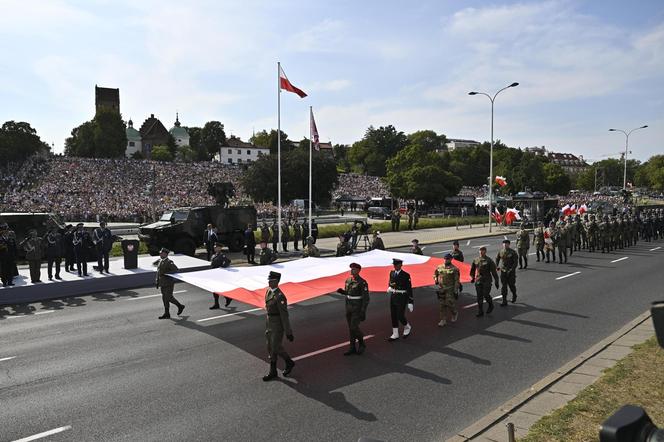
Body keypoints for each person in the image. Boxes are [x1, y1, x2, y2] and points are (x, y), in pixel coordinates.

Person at [263, 271, 295, 381]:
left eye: (271, 280)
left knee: (275, 347)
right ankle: (276, 370)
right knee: (270, 346)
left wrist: (288, 332)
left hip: (277, 324)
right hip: (269, 322)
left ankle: (287, 362)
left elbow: (284, 315)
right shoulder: (268, 291)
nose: (268, 282)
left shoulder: (280, 296)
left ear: (276, 281)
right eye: (269, 280)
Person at [336, 262, 370, 355]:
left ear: (359, 271)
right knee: (351, 329)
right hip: (349, 307)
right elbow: (349, 293)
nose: (352, 270)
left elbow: (366, 298)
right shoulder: (348, 280)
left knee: (354, 327)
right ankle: (352, 347)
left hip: (357, 307)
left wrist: (363, 311)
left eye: (354, 269)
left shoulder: (362, 282)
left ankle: (362, 343)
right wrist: (343, 292)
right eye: (351, 269)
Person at [387, 258, 413, 341]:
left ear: (400, 265)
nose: (394, 266)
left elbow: (409, 289)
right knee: (393, 315)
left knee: (400, 315)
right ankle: (395, 333)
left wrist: (410, 301)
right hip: (393, 296)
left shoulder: (406, 275)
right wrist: (390, 287)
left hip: (402, 296)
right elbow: (390, 282)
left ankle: (407, 326)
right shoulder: (392, 273)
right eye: (394, 265)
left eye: (396, 265)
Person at [155, 248, 185, 319]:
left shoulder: (169, 262)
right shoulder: (160, 261)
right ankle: (167, 313)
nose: (160, 254)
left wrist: (166, 273)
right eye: (160, 253)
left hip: (168, 283)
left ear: (165, 254)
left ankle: (180, 306)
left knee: (168, 297)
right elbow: (158, 272)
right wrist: (157, 281)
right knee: (164, 298)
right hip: (162, 283)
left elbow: (176, 270)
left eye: (161, 253)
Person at [469, 246, 499, 317]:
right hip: (478, 280)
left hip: (487, 280)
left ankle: (491, 305)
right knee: (479, 296)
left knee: (485, 294)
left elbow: (494, 272)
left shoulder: (489, 260)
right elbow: (472, 270)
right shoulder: (475, 260)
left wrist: (496, 281)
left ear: (485, 251)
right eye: (480, 250)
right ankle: (480, 311)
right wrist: (473, 278)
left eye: (482, 250)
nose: (481, 251)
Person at [434, 253, 460, 327]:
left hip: (450, 289)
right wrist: (435, 279)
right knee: (442, 305)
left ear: (451, 259)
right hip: (441, 289)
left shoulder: (454, 269)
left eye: (448, 259)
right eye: (445, 258)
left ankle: (454, 313)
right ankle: (443, 320)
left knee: (449, 303)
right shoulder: (439, 267)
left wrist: (455, 290)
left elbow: (456, 281)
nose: (446, 260)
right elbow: (435, 274)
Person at [495, 239, 518, 305]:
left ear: (509, 244)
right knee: (504, 286)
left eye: (506, 244)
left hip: (510, 272)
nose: (505, 245)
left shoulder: (513, 252)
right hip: (503, 271)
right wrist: (497, 266)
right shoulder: (501, 251)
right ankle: (504, 301)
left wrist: (512, 269)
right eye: (504, 244)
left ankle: (514, 295)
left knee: (511, 285)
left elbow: (515, 262)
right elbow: (497, 258)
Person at [210, 243, 232, 309]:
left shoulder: (222, 255)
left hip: (219, 275)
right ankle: (217, 303)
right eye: (214, 247)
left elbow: (228, 262)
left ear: (220, 248)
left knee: (219, 289)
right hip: (214, 275)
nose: (215, 248)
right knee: (214, 290)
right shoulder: (214, 255)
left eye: (216, 247)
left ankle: (227, 298)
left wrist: (222, 267)